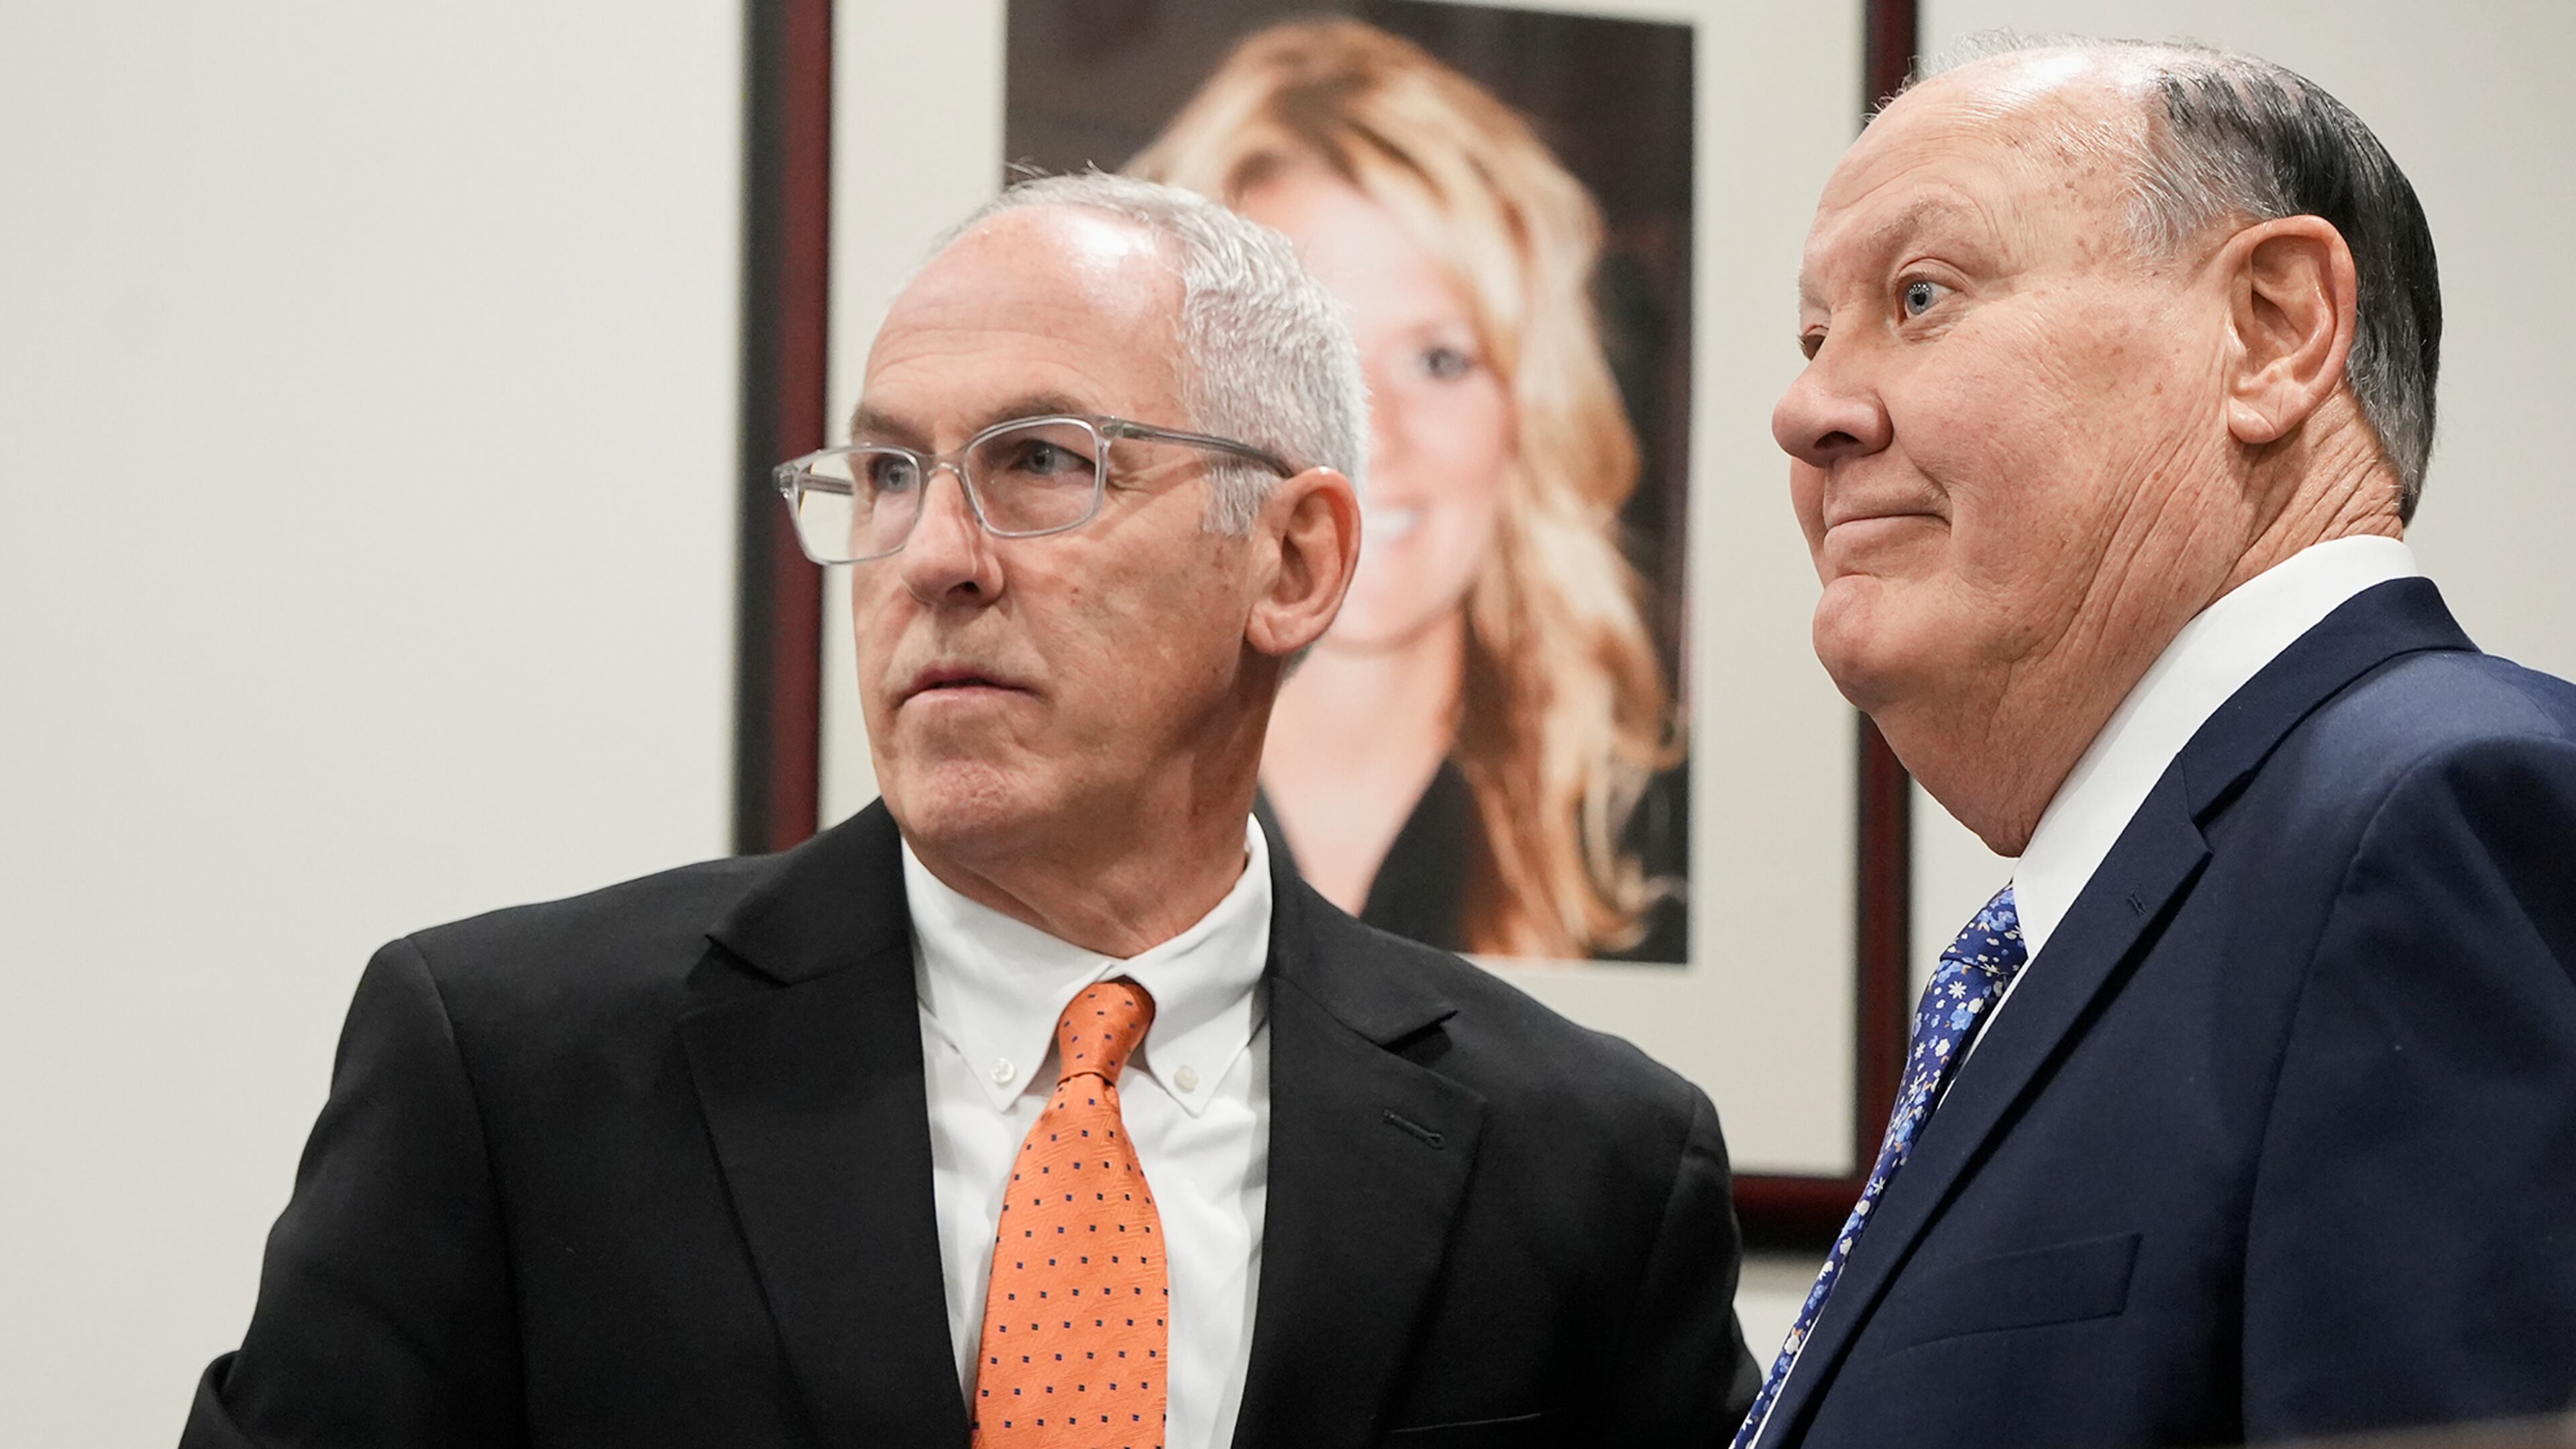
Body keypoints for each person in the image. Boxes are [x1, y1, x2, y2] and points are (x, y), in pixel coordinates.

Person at [182, 173, 1758, 1449]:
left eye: (1038, 462)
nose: (935, 554)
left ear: (1292, 564)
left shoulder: (1592, 1163)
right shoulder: (509, 1071)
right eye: (883, 476)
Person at [1738, 34, 2576, 1449]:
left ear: (2273, 330)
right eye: (1816, 337)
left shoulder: (2442, 812)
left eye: (1922, 297)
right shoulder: (2153, 907)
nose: (1809, 408)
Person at [1131, 19, 1688, 963]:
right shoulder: (1057, 818)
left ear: (1530, 413)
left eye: (1439, 358)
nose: (1374, 437)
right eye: (1313, 361)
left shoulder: (1660, 843)